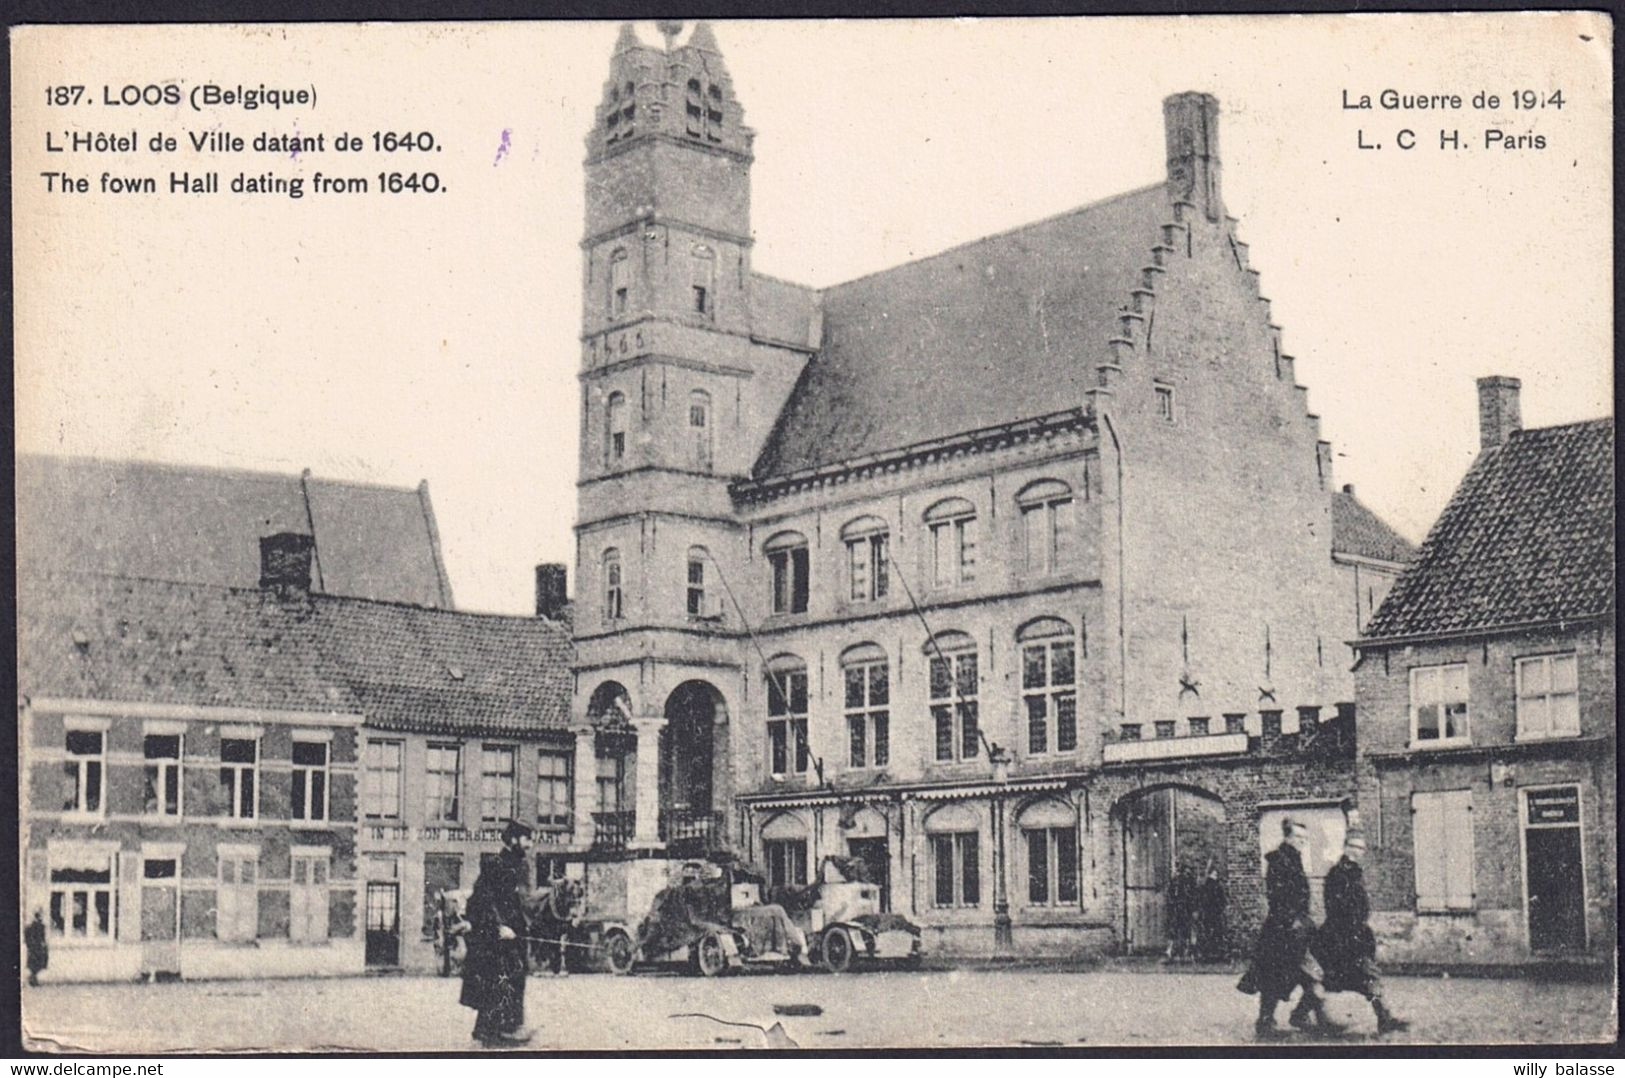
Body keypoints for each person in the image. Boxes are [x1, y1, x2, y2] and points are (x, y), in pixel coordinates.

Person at [1241, 817, 1343, 1038]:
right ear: (1287, 836)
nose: (1302, 842)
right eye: (1298, 837)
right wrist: (1293, 922)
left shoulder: (1294, 858)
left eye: (1305, 839)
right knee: (1278, 977)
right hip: (1283, 931)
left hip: (1297, 930)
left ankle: (1300, 1018)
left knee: (1303, 973)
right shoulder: (1279, 861)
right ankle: (1270, 1023)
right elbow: (1276, 897)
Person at [1313, 831, 1409, 1034]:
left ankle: (1384, 1017)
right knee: (1337, 977)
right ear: (1346, 847)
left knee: (1357, 978)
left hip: (1355, 935)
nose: (1358, 851)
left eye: (1361, 848)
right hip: (1341, 937)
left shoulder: (1354, 872)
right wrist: (1353, 930)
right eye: (1354, 847)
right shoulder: (1337, 874)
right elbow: (1337, 908)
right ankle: (1384, 1017)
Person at [460, 821, 535, 1046]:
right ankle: (490, 1034)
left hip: (514, 938)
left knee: (514, 978)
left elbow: (521, 903)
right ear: (513, 840)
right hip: (495, 938)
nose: (530, 845)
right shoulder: (495, 864)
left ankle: (504, 1028)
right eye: (527, 839)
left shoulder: (521, 865)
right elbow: (482, 900)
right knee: (497, 981)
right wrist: (498, 927)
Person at [1165, 862, 1196, 961]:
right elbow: (1171, 894)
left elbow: (1190, 896)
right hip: (1179, 909)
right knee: (1177, 929)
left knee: (1182, 930)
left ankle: (1183, 951)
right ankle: (1173, 950)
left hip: (1182, 908)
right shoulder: (1177, 881)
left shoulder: (1185, 881)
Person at [1195, 866, 1226, 961]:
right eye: (1215, 874)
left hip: (1206, 913)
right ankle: (1218, 953)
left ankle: (1206, 953)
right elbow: (1223, 901)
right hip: (1216, 913)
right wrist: (1220, 908)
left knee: (1207, 932)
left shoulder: (1204, 887)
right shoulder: (1218, 886)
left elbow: (1200, 900)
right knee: (1217, 932)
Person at [24, 911, 48, 986]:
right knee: (35, 964)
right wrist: (30, 945)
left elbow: (43, 937)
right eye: (40, 916)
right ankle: (33, 979)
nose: (41, 918)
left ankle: (33, 978)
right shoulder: (32, 926)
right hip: (35, 948)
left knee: (38, 964)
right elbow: (27, 936)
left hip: (37, 948)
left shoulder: (40, 926)